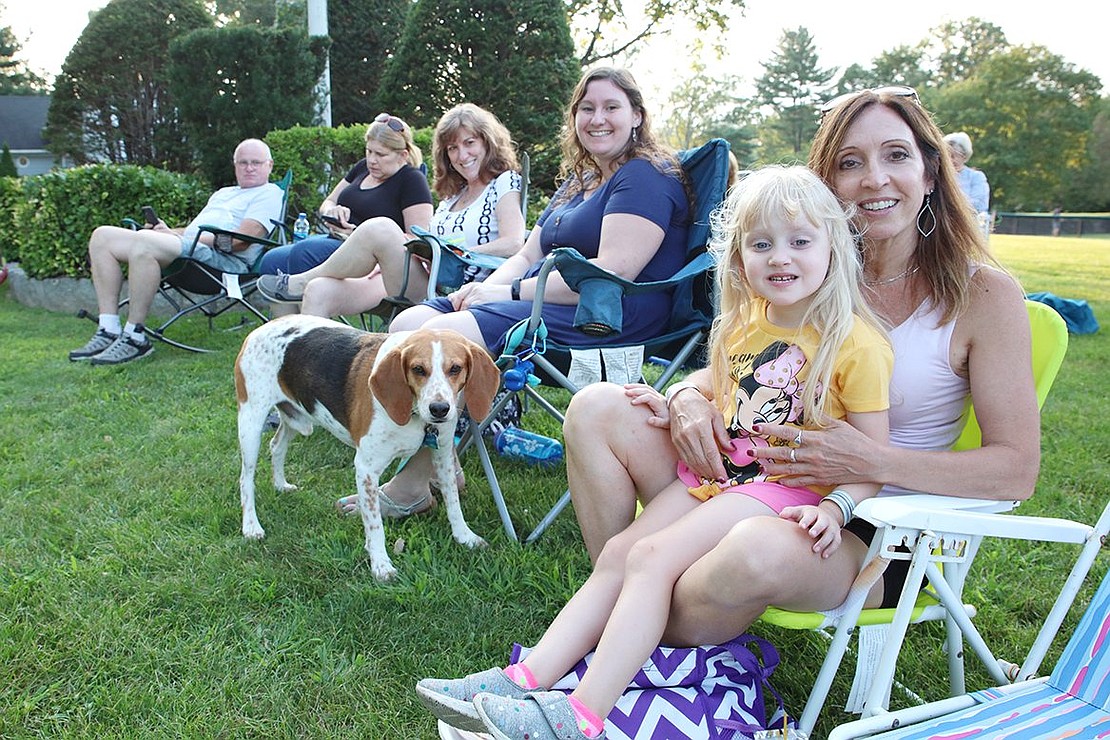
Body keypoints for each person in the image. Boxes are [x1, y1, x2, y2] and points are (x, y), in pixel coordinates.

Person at [557, 85, 1037, 667]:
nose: (875, 179)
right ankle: (611, 615)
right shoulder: (804, 269)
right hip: (748, 478)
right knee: (597, 407)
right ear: (826, 186)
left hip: (868, 531)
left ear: (931, 172)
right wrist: (686, 396)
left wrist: (870, 463)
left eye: (896, 155)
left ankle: (613, 644)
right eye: (850, 163)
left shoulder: (982, 293)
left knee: (747, 551)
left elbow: (1016, 470)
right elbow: (745, 367)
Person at [415, 165, 894, 739]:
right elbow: (721, 392)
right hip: (724, 476)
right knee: (621, 551)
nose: (779, 258)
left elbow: (872, 458)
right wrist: (674, 401)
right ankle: (526, 678)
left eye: (799, 242)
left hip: (785, 490)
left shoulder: (855, 343)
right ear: (738, 256)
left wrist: (836, 509)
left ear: (833, 247)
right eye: (760, 244)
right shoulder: (745, 325)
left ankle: (581, 715)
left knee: (650, 559)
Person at [376, 67, 690, 516]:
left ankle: (414, 483)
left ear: (637, 116)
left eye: (611, 107)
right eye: (586, 109)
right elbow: (526, 254)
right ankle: (437, 461)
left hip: (605, 315)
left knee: (443, 337)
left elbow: (611, 272)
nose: (597, 118)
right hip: (541, 298)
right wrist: (484, 288)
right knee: (407, 325)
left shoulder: (643, 177)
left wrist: (511, 295)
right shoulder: (580, 180)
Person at [264, 103, 525, 319]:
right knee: (319, 291)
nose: (462, 155)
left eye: (470, 143)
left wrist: (453, 253)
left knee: (382, 227)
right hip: (429, 280)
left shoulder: (503, 182)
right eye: (453, 148)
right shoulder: (453, 197)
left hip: (461, 293)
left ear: (487, 143)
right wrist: (396, 255)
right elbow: (426, 243)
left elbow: (513, 243)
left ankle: (298, 281)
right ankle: (304, 376)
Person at [69, 138, 285, 365]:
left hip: (222, 264)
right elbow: (193, 231)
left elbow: (241, 241)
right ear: (234, 165)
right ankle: (109, 328)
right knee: (102, 236)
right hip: (191, 251)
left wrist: (175, 238)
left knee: (145, 241)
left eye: (256, 162)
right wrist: (169, 231)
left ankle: (135, 337)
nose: (249, 168)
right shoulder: (224, 193)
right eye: (243, 163)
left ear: (269, 165)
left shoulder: (269, 193)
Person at [256, 113, 433, 315]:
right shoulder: (362, 168)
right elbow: (328, 202)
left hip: (367, 257)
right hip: (335, 238)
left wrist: (358, 232)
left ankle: (306, 326)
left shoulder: (411, 180)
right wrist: (333, 211)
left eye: (381, 154)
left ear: (402, 155)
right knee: (272, 260)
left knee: (303, 252)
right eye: (369, 151)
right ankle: (285, 335)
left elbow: (417, 238)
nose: (372, 160)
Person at [944, 131, 990, 233]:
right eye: (945, 155)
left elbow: (979, 205)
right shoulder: (936, 176)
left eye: (953, 156)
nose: (948, 159)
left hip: (969, 229)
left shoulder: (976, 177)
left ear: (964, 157)